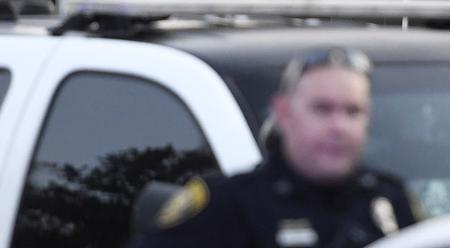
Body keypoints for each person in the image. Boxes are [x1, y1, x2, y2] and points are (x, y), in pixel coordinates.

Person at [131, 47, 420, 247]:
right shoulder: (229, 206)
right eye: (322, 109)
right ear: (283, 114)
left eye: (352, 111)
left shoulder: (389, 202)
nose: (339, 126)